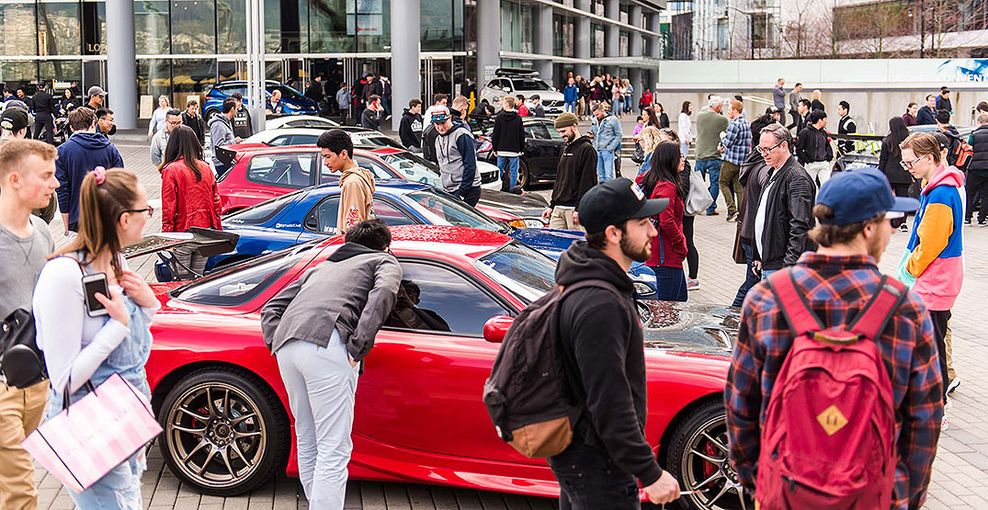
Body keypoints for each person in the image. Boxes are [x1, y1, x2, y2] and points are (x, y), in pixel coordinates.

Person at [726, 167, 941, 510]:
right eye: (892, 222)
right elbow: (924, 420)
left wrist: (761, 483)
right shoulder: (905, 309)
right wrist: (900, 497)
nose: (892, 232)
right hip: (871, 495)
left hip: (785, 491)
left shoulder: (766, 298)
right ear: (869, 228)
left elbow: (741, 407)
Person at [549, 177, 681, 508]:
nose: (653, 231)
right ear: (613, 234)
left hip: (588, 459)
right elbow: (609, 403)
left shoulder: (593, 281)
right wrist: (650, 473)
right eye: (642, 223)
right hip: (599, 463)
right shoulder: (599, 303)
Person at [35, 167, 158, 510]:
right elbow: (64, 379)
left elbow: (133, 351)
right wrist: (116, 327)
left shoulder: (115, 262)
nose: (150, 217)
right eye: (145, 210)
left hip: (126, 420)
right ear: (122, 219)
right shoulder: (63, 275)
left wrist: (148, 307)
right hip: (90, 427)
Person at [261, 219, 400, 509]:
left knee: (308, 435)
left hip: (288, 348)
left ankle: (317, 503)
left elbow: (271, 307)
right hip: (327, 345)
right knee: (333, 446)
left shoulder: (320, 267)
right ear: (385, 246)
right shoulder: (382, 261)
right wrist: (359, 346)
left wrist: (276, 341)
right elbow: (385, 293)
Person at [0, 139, 58, 510]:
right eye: (47, 176)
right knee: (21, 489)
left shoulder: (43, 231)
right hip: (1, 384)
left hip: (36, 380)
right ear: (15, 179)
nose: (55, 184)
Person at [898, 132, 965, 402]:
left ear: (929, 158)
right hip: (935, 279)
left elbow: (931, 244)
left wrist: (910, 267)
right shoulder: (937, 187)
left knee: (933, 348)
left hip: (934, 280)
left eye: (910, 163)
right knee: (933, 344)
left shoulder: (940, 193)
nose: (908, 168)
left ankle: (937, 405)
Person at [752, 123, 816, 280]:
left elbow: (800, 226)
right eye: (761, 149)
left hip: (782, 268)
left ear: (784, 146)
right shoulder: (774, 171)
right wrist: (759, 255)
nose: (764, 154)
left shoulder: (797, 178)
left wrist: (789, 266)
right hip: (770, 263)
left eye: (768, 149)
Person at [160, 125, 222, 278]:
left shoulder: (171, 170)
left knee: (181, 280)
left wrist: (167, 236)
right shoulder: (206, 167)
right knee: (197, 279)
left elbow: (169, 208)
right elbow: (217, 203)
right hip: (205, 231)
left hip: (183, 232)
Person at [55, 107, 125, 235]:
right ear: (94, 123)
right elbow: (121, 183)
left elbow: (62, 190)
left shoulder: (62, 151)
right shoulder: (110, 148)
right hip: (107, 215)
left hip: (77, 218)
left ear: (71, 128)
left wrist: (66, 224)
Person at [636, 141, 688, 301]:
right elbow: (667, 221)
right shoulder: (667, 186)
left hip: (659, 254)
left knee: (677, 302)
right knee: (669, 309)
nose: (683, 159)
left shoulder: (653, 180)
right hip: (666, 256)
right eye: (680, 156)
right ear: (669, 159)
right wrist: (680, 243)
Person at [544, 112, 596, 230]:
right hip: (558, 208)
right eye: (559, 132)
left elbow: (587, 183)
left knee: (576, 245)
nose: (561, 135)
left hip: (574, 210)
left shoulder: (587, 150)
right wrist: (551, 205)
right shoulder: (565, 148)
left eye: (563, 131)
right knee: (554, 245)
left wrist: (579, 209)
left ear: (574, 126)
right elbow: (559, 179)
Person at [317, 129, 375, 233]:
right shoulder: (359, 177)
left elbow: (353, 226)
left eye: (328, 156)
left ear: (343, 154)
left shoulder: (352, 182)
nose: (325, 162)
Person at [432, 107, 482, 206]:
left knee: (460, 221)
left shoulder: (461, 135)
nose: (440, 127)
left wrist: (462, 192)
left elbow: (470, 165)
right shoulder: (438, 139)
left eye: (443, 123)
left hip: (466, 190)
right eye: (437, 124)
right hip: (449, 189)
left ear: (450, 118)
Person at [694, 96, 729, 215]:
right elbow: (726, 134)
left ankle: (697, 206)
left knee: (698, 183)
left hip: (700, 153)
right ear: (718, 107)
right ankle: (710, 208)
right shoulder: (722, 119)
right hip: (714, 155)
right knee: (714, 183)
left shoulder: (699, 116)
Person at [879, 116, 913, 230]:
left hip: (889, 174)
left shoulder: (887, 140)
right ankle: (903, 222)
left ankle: (891, 221)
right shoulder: (909, 141)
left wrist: (880, 173)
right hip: (904, 173)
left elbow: (883, 159)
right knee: (903, 197)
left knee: (889, 198)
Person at [719, 99, 751, 222]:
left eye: (729, 110)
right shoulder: (747, 123)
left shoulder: (734, 124)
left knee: (722, 182)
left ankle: (732, 210)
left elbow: (728, 142)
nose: (728, 112)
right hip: (742, 161)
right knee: (739, 187)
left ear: (735, 110)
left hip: (731, 160)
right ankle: (742, 214)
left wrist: (722, 137)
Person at [493, 96, 525, 190]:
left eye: (503, 103)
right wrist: (521, 148)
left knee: (499, 170)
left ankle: (499, 188)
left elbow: (495, 134)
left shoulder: (499, 117)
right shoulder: (518, 118)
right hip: (514, 150)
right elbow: (521, 135)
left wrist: (495, 148)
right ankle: (513, 190)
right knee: (514, 171)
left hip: (501, 149)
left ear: (506, 104)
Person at [796, 109, 834, 186]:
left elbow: (827, 145)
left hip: (824, 163)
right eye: (825, 119)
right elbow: (798, 149)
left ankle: (824, 198)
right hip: (811, 164)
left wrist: (829, 156)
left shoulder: (823, 132)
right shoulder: (805, 132)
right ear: (820, 120)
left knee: (827, 185)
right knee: (810, 186)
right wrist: (808, 160)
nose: (826, 121)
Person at [590, 102, 622, 183]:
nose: (596, 117)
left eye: (597, 114)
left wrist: (610, 148)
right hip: (597, 149)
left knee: (608, 175)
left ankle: (609, 193)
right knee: (600, 174)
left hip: (607, 150)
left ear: (602, 110)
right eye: (595, 115)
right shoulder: (594, 120)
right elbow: (593, 132)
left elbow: (619, 135)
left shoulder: (613, 120)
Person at [966, 113, 988, 226]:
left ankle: (967, 218)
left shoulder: (974, 134)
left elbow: (969, 147)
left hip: (975, 167)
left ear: (979, 122)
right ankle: (982, 219)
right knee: (986, 195)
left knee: (970, 193)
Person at [208, 98, 240, 176]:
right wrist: (234, 141)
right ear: (232, 109)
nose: (237, 110)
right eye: (236, 108)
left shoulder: (226, 122)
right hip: (221, 162)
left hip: (227, 160)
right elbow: (218, 146)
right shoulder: (218, 125)